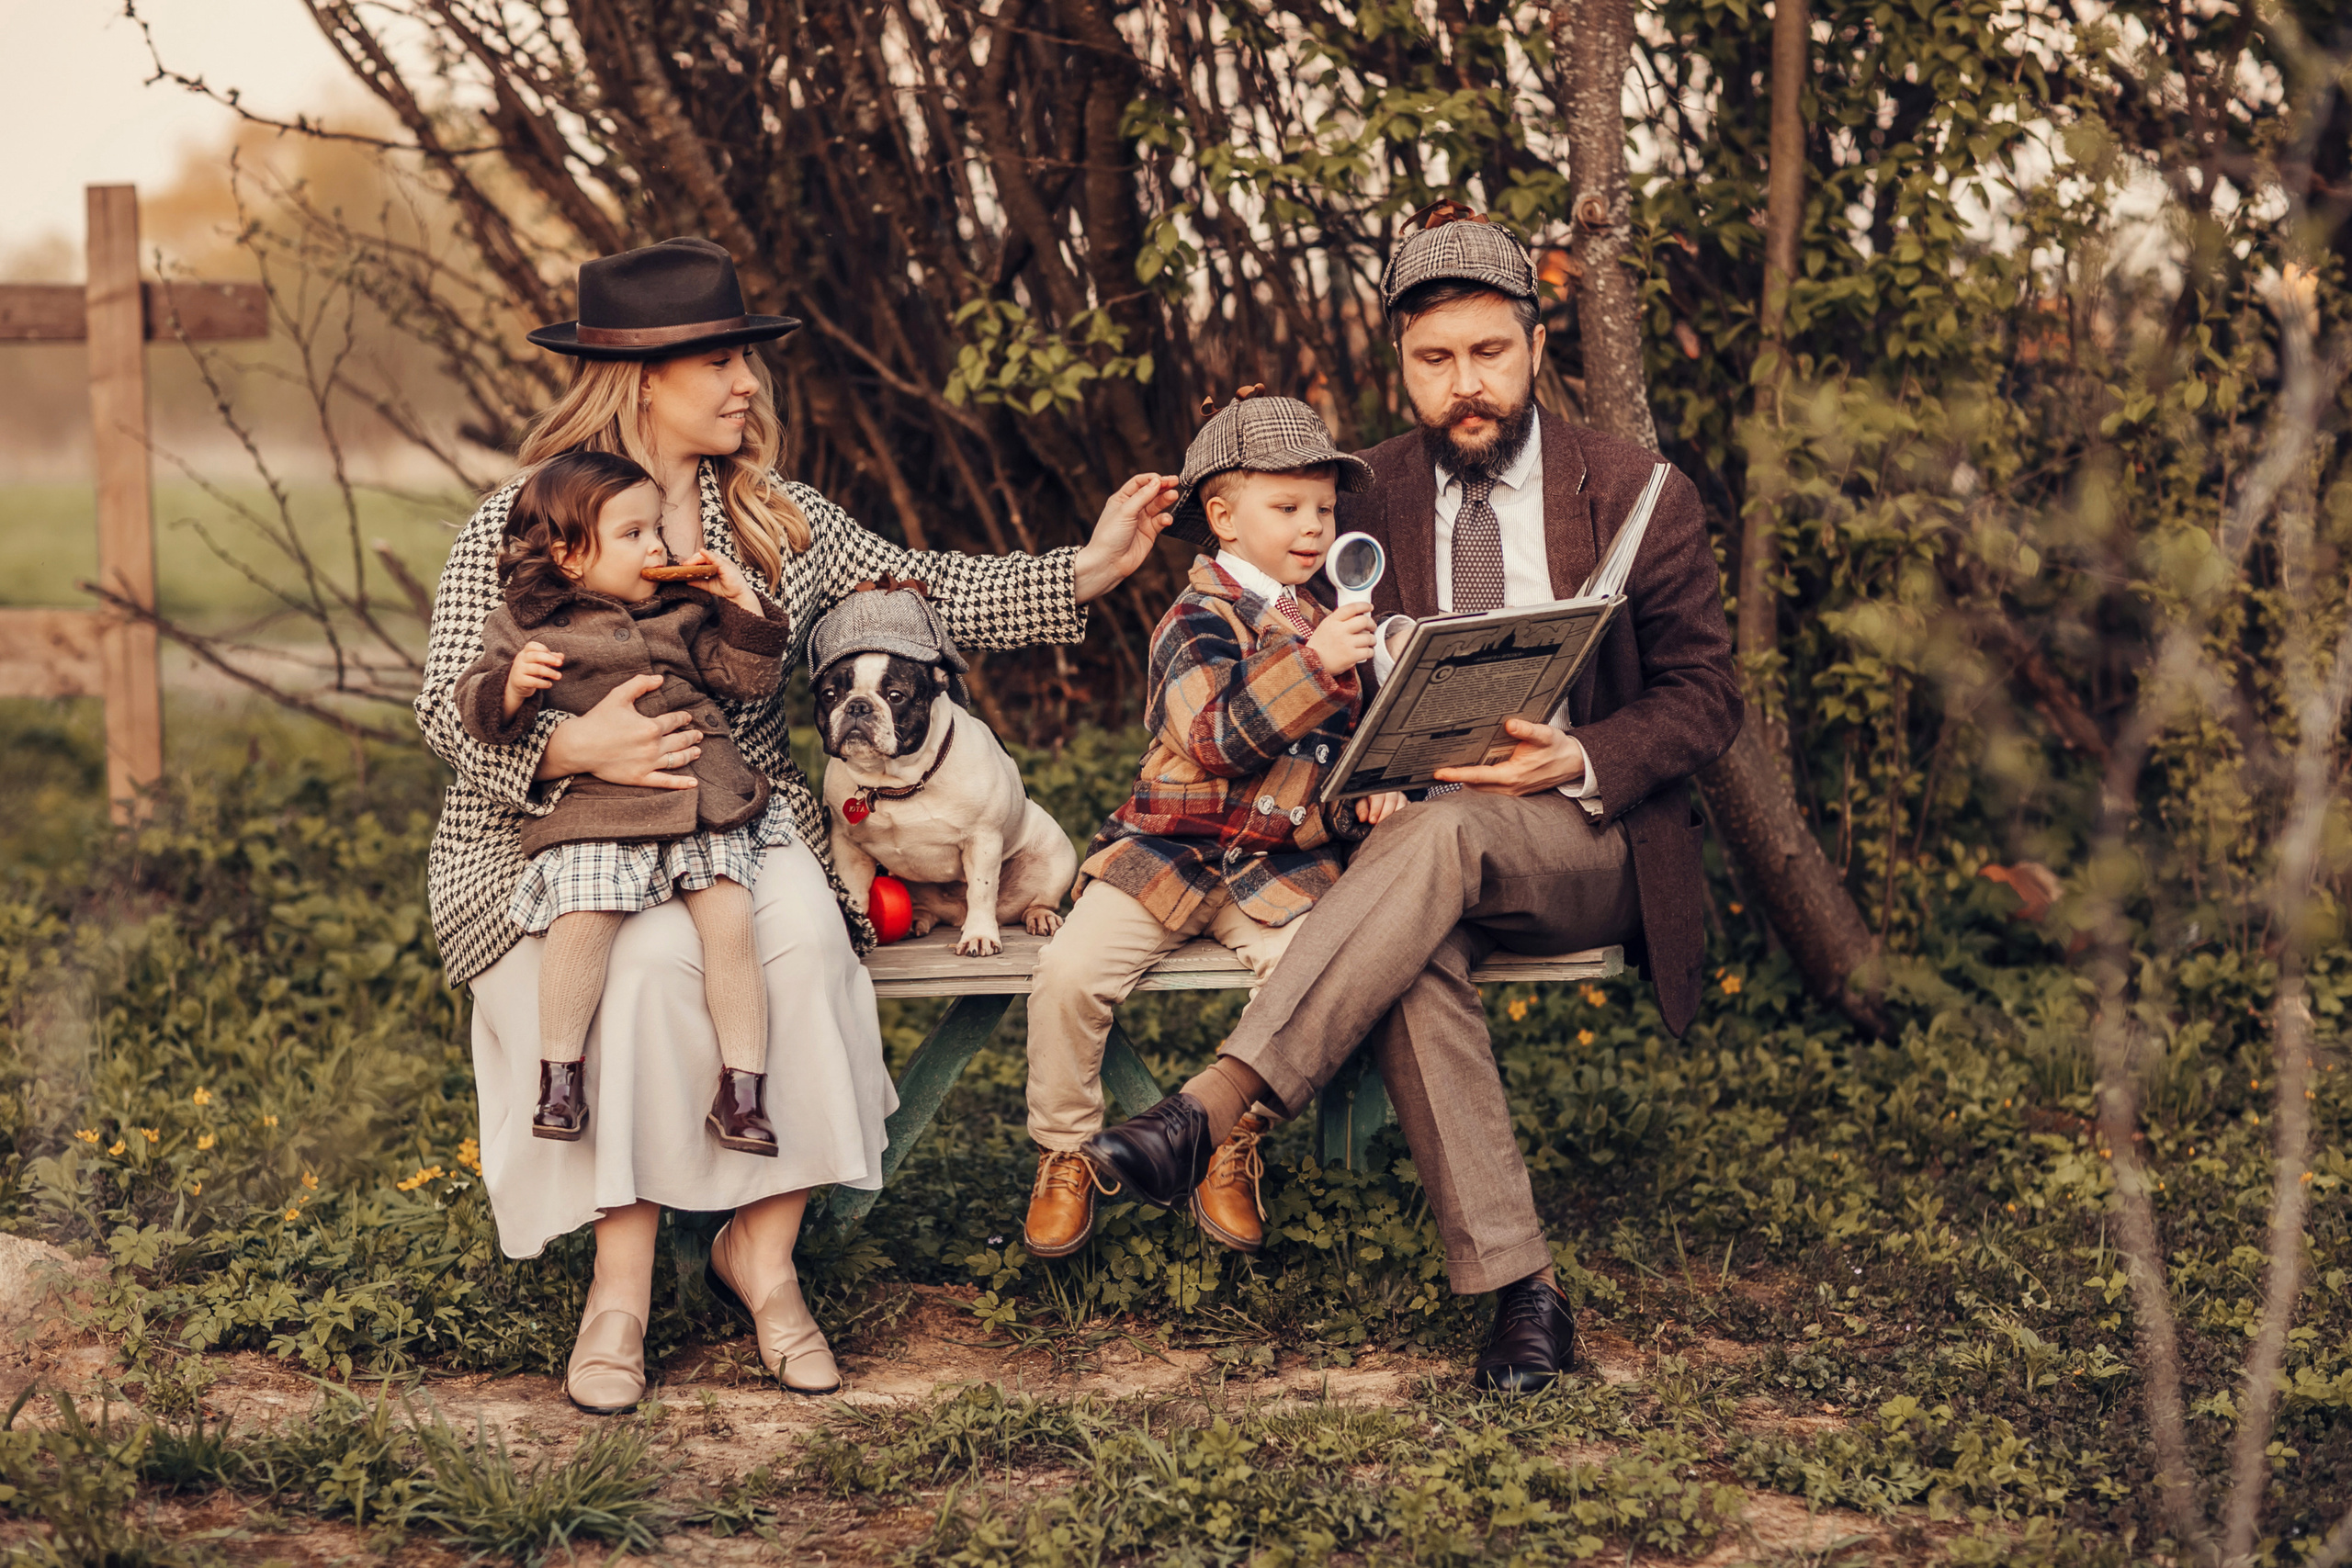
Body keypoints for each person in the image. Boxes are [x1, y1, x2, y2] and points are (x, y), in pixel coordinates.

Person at [417, 237, 1173, 1413]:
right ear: (640, 379)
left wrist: (1083, 570)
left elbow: (920, 589)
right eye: (719, 362)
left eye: (746, 362)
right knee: (647, 965)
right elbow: (443, 702)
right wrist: (568, 745)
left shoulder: (778, 518)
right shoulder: (528, 519)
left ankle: (759, 1259)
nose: (746, 385)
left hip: (737, 817)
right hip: (552, 829)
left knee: (811, 948)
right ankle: (618, 1287)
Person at [1083, 205, 1742, 1395]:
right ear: (1402, 364)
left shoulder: (1638, 489)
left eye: (1488, 352)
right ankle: (1519, 1294)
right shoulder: (1357, 493)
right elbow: (1278, 661)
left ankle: (1218, 1100)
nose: (1465, 384)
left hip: (1581, 839)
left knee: (1438, 840)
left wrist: (1579, 752)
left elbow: (1707, 699)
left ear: (1534, 345)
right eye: (1435, 362)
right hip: (1402, 847)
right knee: (1412, 930)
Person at [1020, 393, 1407, 1260]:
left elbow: (1329, 765)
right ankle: (1063, 1150)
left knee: (1309, 981)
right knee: (1070, 974)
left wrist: (1366, 795)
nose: (1312, 527)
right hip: (1168, 854)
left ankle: (1230, 1134)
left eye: (1324, 509)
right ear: (1224, 519)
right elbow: (1215, 737)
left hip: (1276, 866)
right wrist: (1316, 667)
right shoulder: (1194, 620)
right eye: (1287, 507)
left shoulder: (1331, 624)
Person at [452, 450, 789, 1157]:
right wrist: (512, 687)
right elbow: (474, 709)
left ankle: (744, 1091)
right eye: (633, 535)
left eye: (656, 529)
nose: (657, 547)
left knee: (731, 921)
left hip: (697, 787)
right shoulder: (524, 624)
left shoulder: (684, 610)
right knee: (584, 916)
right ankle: (559, 1078)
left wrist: (742, 607)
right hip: (601, 802)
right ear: (572, 557)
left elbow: (747, 678)